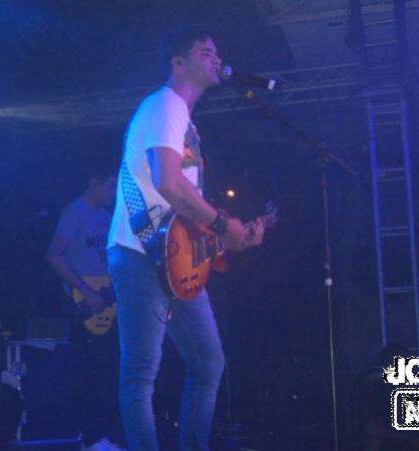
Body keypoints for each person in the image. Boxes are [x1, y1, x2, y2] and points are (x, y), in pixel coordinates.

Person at [106, 26, 266, 450]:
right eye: (205, 52)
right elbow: (168, 182)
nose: (217, 59)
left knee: (208, 362)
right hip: (140, 253)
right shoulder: (165, 105)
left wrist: (229, 237)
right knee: (141, 372)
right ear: (178, 62)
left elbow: (183, 204)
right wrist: (223, 226)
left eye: (217, 53)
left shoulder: (183, 119)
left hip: (175, 258)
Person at [46, 164, 124, 451]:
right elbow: (54, 256)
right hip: (85, 302)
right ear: (94, 182)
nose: (114, 192)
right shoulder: (74, 212)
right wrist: (85, 291)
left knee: (109, 369)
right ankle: (92, 438)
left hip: (108, 300)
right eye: (110, 186)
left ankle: (106, 436)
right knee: (91, 371)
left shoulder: (106, 216)